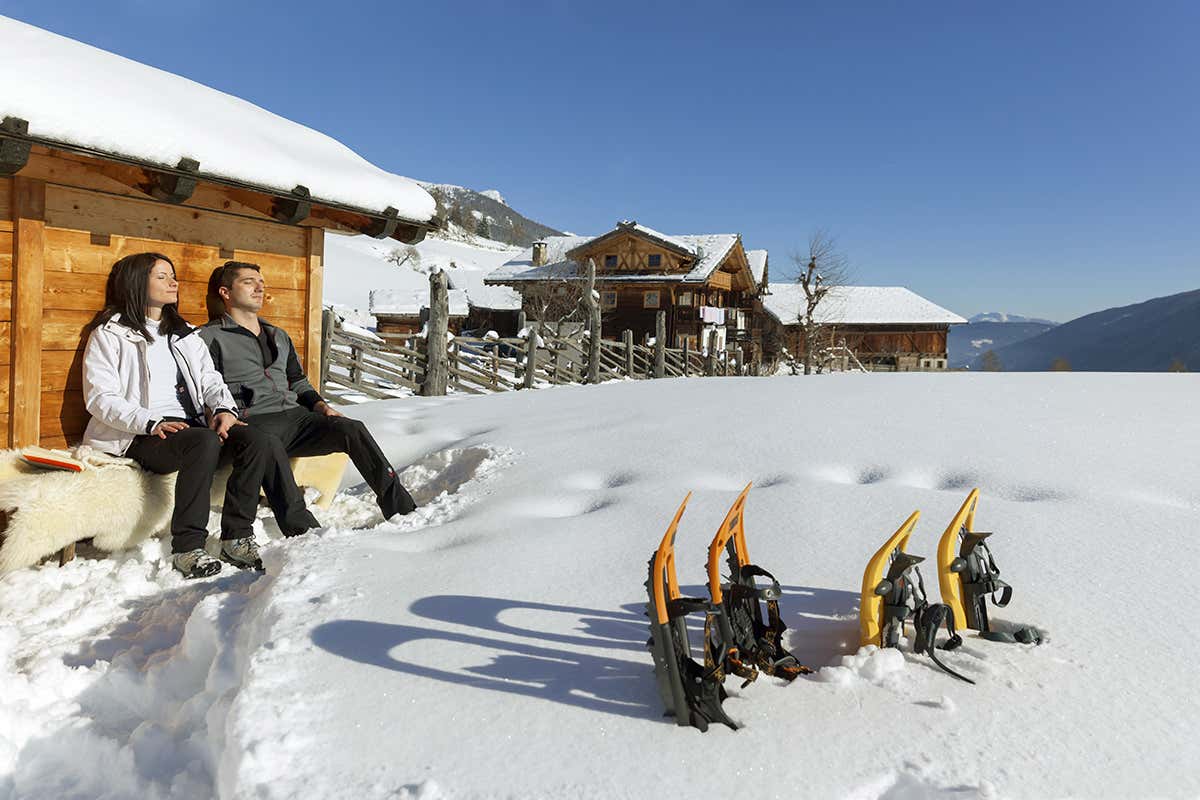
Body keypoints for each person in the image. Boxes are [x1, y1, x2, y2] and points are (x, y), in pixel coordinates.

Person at [81, 252, 318, 579]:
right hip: (140, 434)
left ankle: (237, 535)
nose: (173, 282)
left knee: (258, 439)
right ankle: (188, 547)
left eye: (173, 275)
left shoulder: (183, 333)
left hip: (192, 428)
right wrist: (151, 422)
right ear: (137, 282)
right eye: (162, 276)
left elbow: (210, 379)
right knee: (203, 441)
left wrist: (223, 408)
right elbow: (100, 398)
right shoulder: (110, 334)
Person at [200, 261, 417, 522]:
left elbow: (297, 380)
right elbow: (204, 387)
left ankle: (401, 508)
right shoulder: (209, 338)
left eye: (261, 283)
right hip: (253, 421)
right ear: (225, 292)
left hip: (296, 418)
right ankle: (302, 528)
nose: (258, 288)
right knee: (267, 443)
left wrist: (321, 406)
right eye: (248, 282)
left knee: (352, 428)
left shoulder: (278, 335)